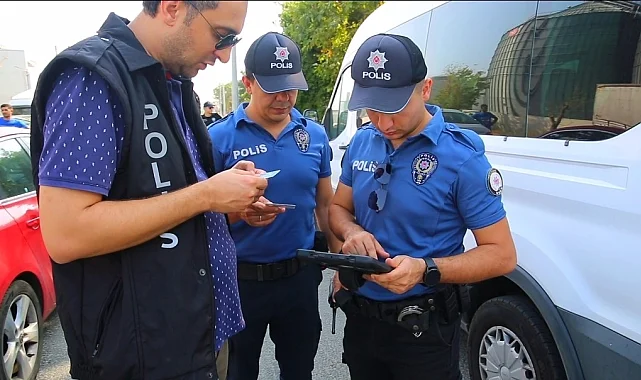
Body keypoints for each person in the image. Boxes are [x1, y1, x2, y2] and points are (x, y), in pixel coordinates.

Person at [29, 1, 265, 379]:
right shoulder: (93, 77)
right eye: (221, 36)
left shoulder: (169, 82)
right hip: (142, 359)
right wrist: (205, 195)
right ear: (172, 8)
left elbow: (166, 195)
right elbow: (66, 232)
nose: (224, 56)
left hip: (196, 343)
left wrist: (226, 198)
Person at [328, 33, 517, 380]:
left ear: (425, 88)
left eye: (396, 107)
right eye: (373, 108)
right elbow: (338, 209)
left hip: (423, 333)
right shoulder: (362, 141)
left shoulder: (461, 158)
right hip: (362, 320)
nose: (384, 123)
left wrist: (425, 269)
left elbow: (502, 254)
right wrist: (352, 232)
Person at [208, 32, 341, 380]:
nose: (284, 98)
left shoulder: (314, 134)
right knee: (238, 372)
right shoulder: (219, 138)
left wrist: (340, 262)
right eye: (273, 89)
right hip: (239, 282)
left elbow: (325, 204)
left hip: (298, 278)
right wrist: (239, 213)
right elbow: (199, 214)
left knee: (299, 370)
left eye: (291, 87)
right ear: (247, 83)